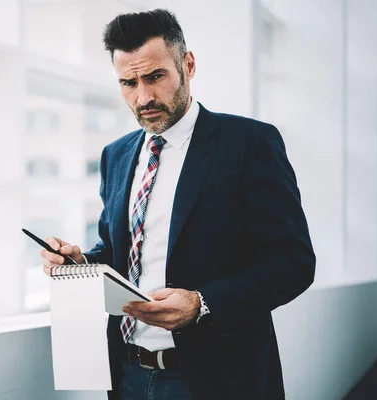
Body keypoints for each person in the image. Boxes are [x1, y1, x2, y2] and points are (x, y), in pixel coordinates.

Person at [40, 8, 315, 400]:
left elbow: (294, 262)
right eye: (128, 83)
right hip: (127, 373)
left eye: (155, 77)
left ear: (187, 64)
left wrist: (203, 304)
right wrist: (79, 263)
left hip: (217, 380)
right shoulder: (115, 156)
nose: (144, 96)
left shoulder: (250, 144)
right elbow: (122, 253)